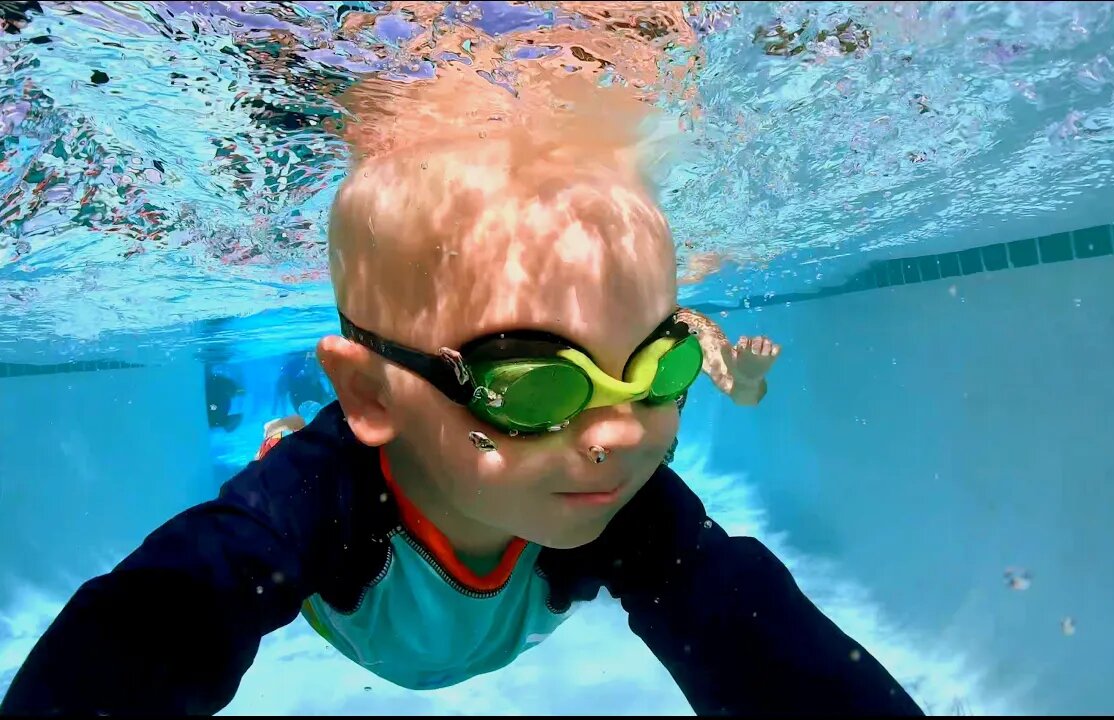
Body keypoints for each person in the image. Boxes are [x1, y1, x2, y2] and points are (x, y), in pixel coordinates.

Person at [0, 73, 920, 717]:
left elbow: (752, 637)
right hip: (363, 615)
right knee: (288, 455)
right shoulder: (326, 497)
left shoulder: (615, 498)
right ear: (369, 393)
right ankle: (285, 425)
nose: (618, 433)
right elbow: (162, 619)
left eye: (658, 371)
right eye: (532, 383)